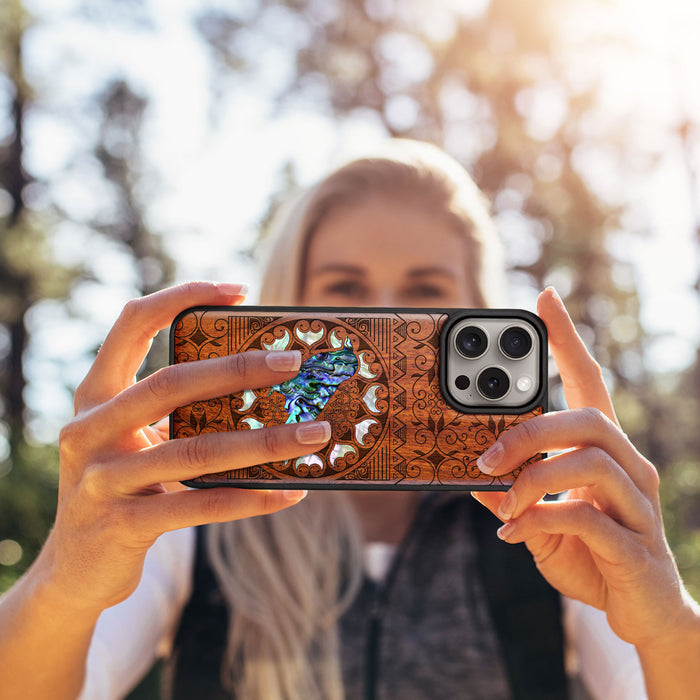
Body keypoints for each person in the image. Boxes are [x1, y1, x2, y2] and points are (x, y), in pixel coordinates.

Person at [1, 140, 699, 700]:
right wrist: (64, 582)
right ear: (283, 308)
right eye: (346, 292)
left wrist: (667, 627)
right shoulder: (197, 516)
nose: (384, 320)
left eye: (425, 293)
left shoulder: (544, 522)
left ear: (477, 313)